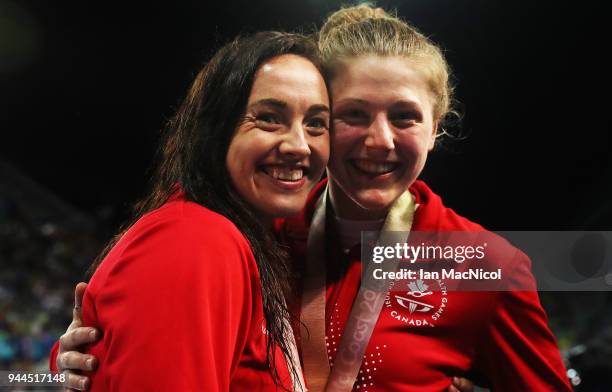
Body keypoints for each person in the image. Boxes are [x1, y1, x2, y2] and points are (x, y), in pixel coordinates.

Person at [52, 4, 571, 391]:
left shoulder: (486, 266)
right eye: (352, 114)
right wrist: (62, 366)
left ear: (437, 128)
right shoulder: (253, 228)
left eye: (405, 116)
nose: (379, 140)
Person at [50, 31, 331, 391]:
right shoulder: (198, 238)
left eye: (316, 124)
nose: (299, 145)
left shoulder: (257, 240)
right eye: (269, 118)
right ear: (217, 129)